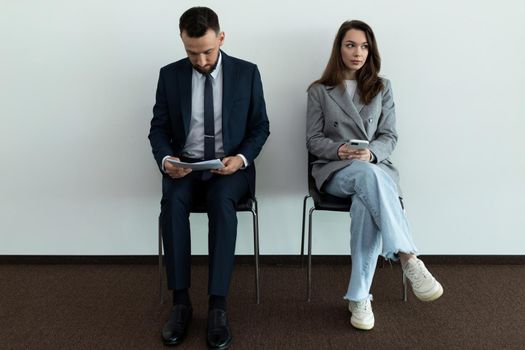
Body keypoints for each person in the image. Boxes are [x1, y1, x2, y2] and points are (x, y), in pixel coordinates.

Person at [306, 20, 443, 331]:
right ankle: (407, 257)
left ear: (372, 50)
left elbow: (389, 136)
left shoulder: (383, 87)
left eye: (364, 46)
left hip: (374, 170)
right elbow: (313, 140)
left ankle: (359, 297)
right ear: (339, 49)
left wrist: (370, 154)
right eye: (351, 45)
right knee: (368, 180)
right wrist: (342, 150)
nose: (358, 52)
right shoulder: (319, 91)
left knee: (366, 200)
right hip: (335, 172)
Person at [148, 7, 269, 348]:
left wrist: (241, 158)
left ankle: (218, 305)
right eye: (191, 52)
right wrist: (167, 159)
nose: (200, 60)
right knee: (171, 202)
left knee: (221, 201)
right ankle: (181, 303)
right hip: (185, 165)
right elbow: (158, 129)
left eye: (207, 51)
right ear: (182, 42)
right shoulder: (169, 75)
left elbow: (261, 126)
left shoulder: (247, 73)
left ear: (221, 38)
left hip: (230, 168)